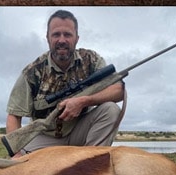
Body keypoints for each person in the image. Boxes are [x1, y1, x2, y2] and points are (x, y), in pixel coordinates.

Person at [6, 10, 125, 158]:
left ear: (76, 39)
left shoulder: (91, 59)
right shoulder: (32, 72)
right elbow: (14, 115)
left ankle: (89, 164)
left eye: (67, 34)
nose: (62, 40)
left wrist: (84, 101)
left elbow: (118, 90)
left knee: (111, 109)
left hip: (79, 131)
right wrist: (17, 155)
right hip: (45, 136)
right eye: (56, 34)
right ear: (48, 38)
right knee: (15, 166)